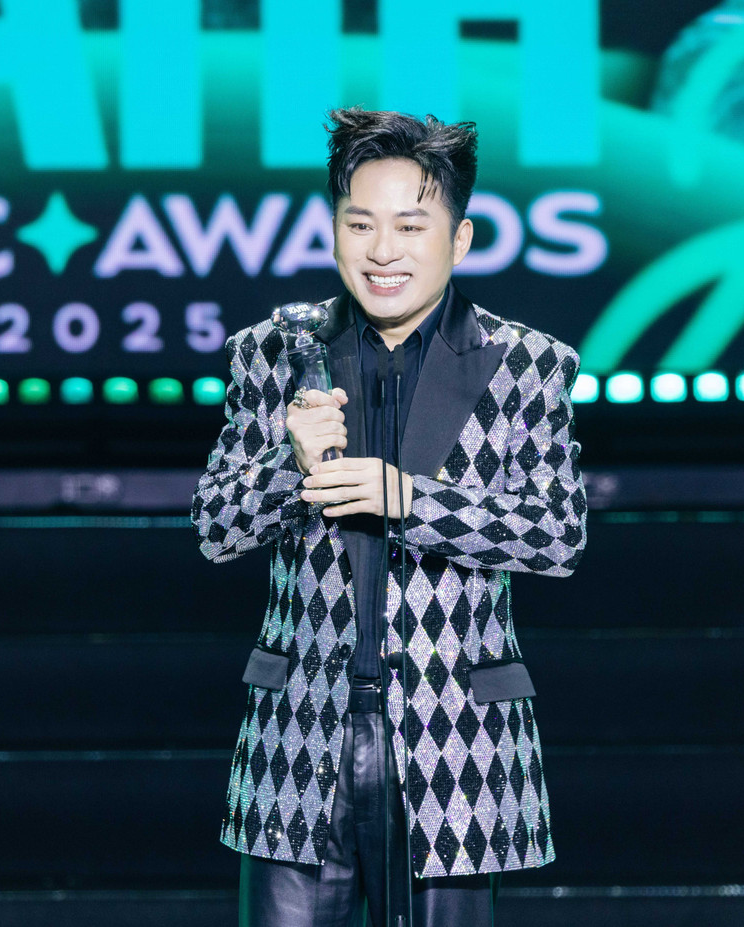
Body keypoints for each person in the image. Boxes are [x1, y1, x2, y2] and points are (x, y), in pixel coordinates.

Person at [191, 108, 587, 927]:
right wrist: (288, 467)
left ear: (460, 238)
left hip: (460, 741)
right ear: (334, 229)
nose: (383, 250)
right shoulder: (275, 354)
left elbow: (558, 534)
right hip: (299, 737)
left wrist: (408, 497)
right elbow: (215, 527)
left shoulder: (525, 365)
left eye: (410, 226)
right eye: (360, 223)